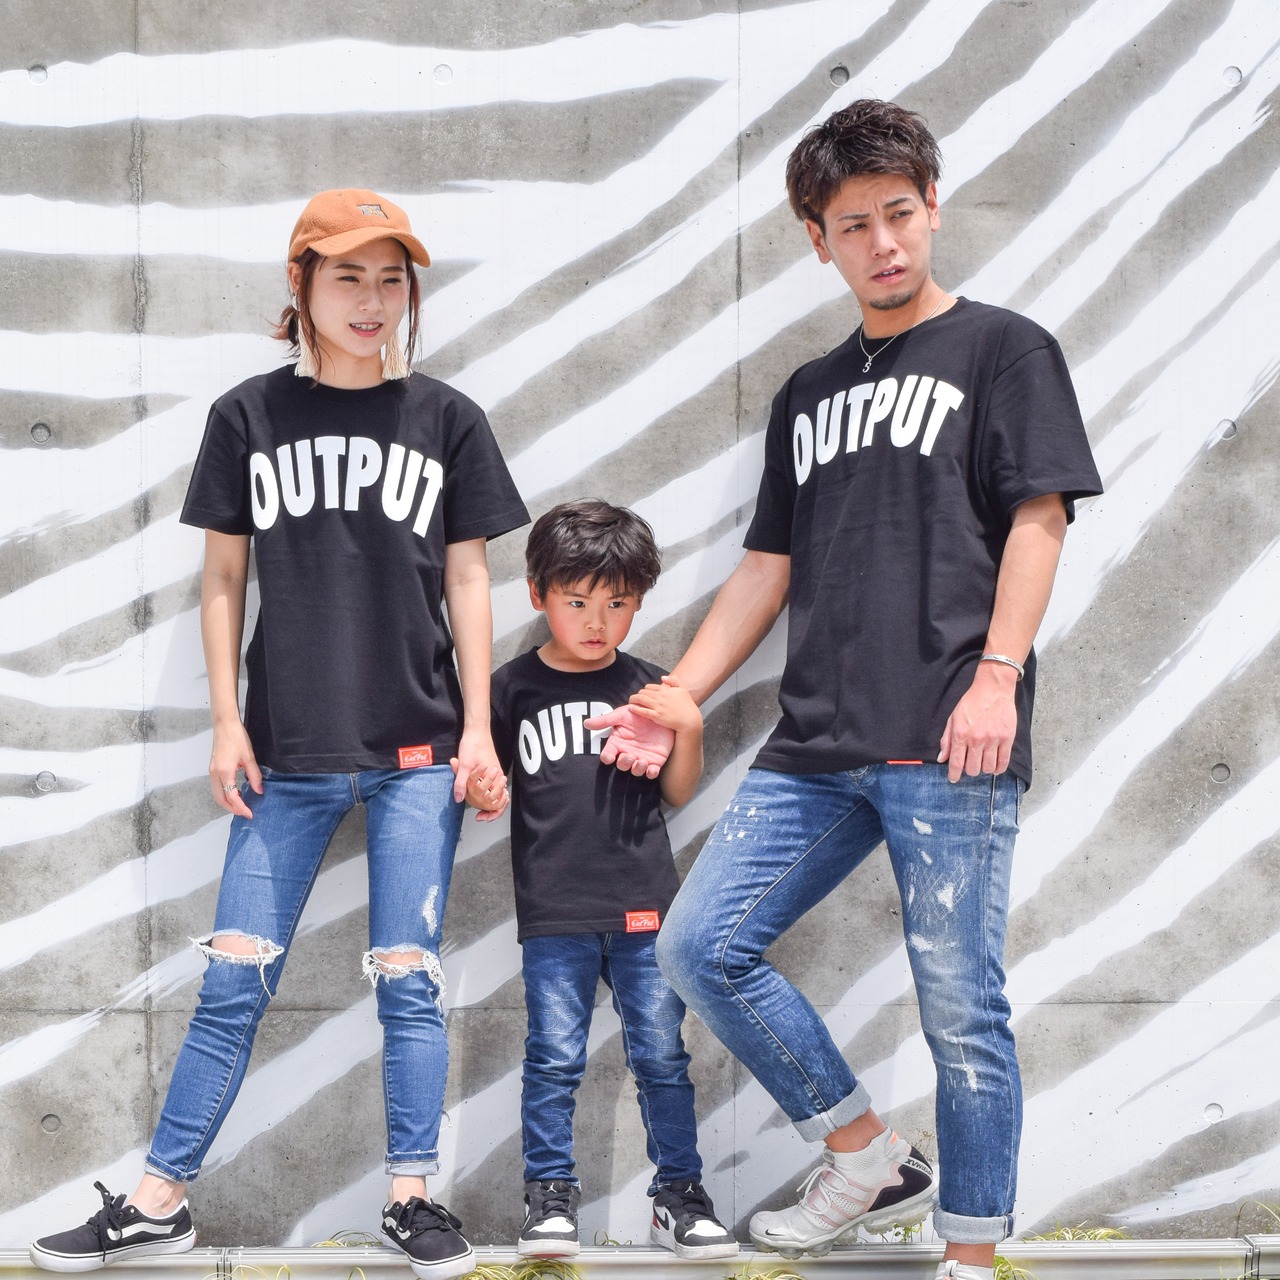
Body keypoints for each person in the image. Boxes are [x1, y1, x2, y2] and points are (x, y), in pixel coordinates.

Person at [595, 101, 1103, 1280]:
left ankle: (968, 1252)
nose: (881, 242)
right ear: (815, 239)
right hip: (814, 741)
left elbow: (1036, 519)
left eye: (898, 213)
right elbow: (764, 566)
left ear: (931, 209)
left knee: (959, 1006)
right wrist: (678, 691)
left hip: (948, 731)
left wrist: (996, 675)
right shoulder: (808, 390)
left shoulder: (1003, 350)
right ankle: (865, 1149)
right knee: (698, 946)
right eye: (852, 224)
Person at [30, 189, 529, 1279]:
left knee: (409, 978)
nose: (372, 299)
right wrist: (225, 722)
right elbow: (222, 579)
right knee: (232, 982)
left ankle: (410, 1197)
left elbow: (468, 577)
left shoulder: (445, 418)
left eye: (391, 278)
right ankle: (159, 1200)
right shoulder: (248, 416)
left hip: (417, 755)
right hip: (284, 752)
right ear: (300, 283)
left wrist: (479, 730)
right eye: (348, 275)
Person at [465, 500, 738, 1262]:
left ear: (639, 602)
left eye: (616, 604)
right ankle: (549, 1197)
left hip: (645, 906)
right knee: (553, 1056)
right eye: (577, 601)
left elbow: (677, 792)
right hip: (554, 910)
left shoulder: (649, 686)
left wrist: (688, 724)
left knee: (661, 1056)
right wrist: (483, 786)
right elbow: (488, 778)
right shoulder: (511, 689)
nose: (596, 621)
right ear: (538, 594)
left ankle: (679, 1196)